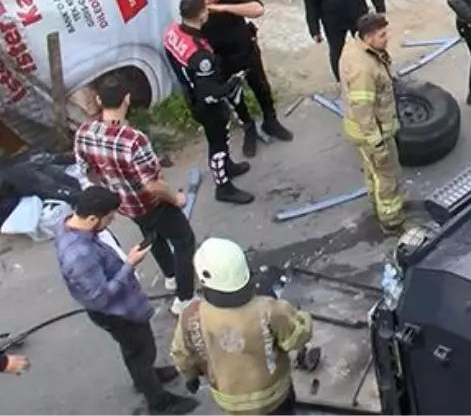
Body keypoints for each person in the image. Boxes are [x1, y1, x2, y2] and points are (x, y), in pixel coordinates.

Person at [55, 186, 199, 414]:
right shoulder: (80, 255)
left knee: (134, 349)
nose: (112, 220)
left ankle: (145, 378)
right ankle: (159, 402)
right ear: (92, 218)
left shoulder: (69, 225)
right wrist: (129, 264)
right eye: (109, 217)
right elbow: (101, 297)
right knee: (141, 349)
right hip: (117, 313)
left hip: (118, 308)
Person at [74, 74, 198, 314]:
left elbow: (85, 170)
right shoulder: (133, 140)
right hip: (152, 203)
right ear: (127, 99)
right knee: (184, 241)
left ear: (99, 100)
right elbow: (152, 185)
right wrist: (176, 198)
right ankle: (184, 298)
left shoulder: (84, 132)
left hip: (123, 204)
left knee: (153, 236)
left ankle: (171, 275)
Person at [171, 237, 312, 416]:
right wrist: (302, 318)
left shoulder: (191, 316)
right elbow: (297, 337)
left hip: (230, 404)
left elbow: (182, 355)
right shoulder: (269, 309)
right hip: (274, 398)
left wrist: (190, 376)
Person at [164, 0, 255, 205]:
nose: (208, 12)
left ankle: (228, 166)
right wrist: (233, 82)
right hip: (205, 104)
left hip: (190, 94)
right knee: (218, 144)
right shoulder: (200, 55)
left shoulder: (172, 32)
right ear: (200, 15)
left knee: (222, 136)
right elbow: (210, 93)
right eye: (205, 9)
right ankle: (223, 186)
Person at [196, 0, 293, 159]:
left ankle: (270, 121)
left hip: (245, 51)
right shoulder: (196, 3)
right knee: (235, 98)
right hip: (220, 60)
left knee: (262, 89)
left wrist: (222, 8)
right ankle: (249, 129)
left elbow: (258, 10)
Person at [339, 13, 405, 230]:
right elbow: (363, 108)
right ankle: (391, 219)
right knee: (387, 174)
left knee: (373, 171)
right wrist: (376, 142)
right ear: (367, 38)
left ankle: (377, 202)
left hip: (362, 130)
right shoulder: (364, 69)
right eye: (382, 35)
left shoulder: (355, 48)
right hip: (372, 132)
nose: (387, 39)